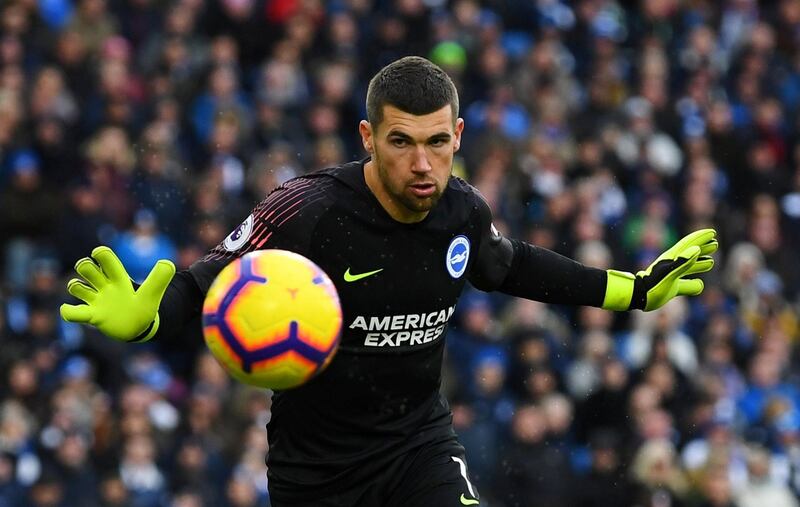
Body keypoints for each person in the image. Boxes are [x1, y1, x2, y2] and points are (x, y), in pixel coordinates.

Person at [60, 56, 718, 506]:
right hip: (315, 473)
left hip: (417, 446)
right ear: (368, 136)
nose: (423, 163)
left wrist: (632, 289)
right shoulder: (307, 211)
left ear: (458, 135)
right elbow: (206, 284)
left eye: (438, 142)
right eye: (402, 142)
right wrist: (149, 317)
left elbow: (511, 264)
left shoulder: (461, 211)